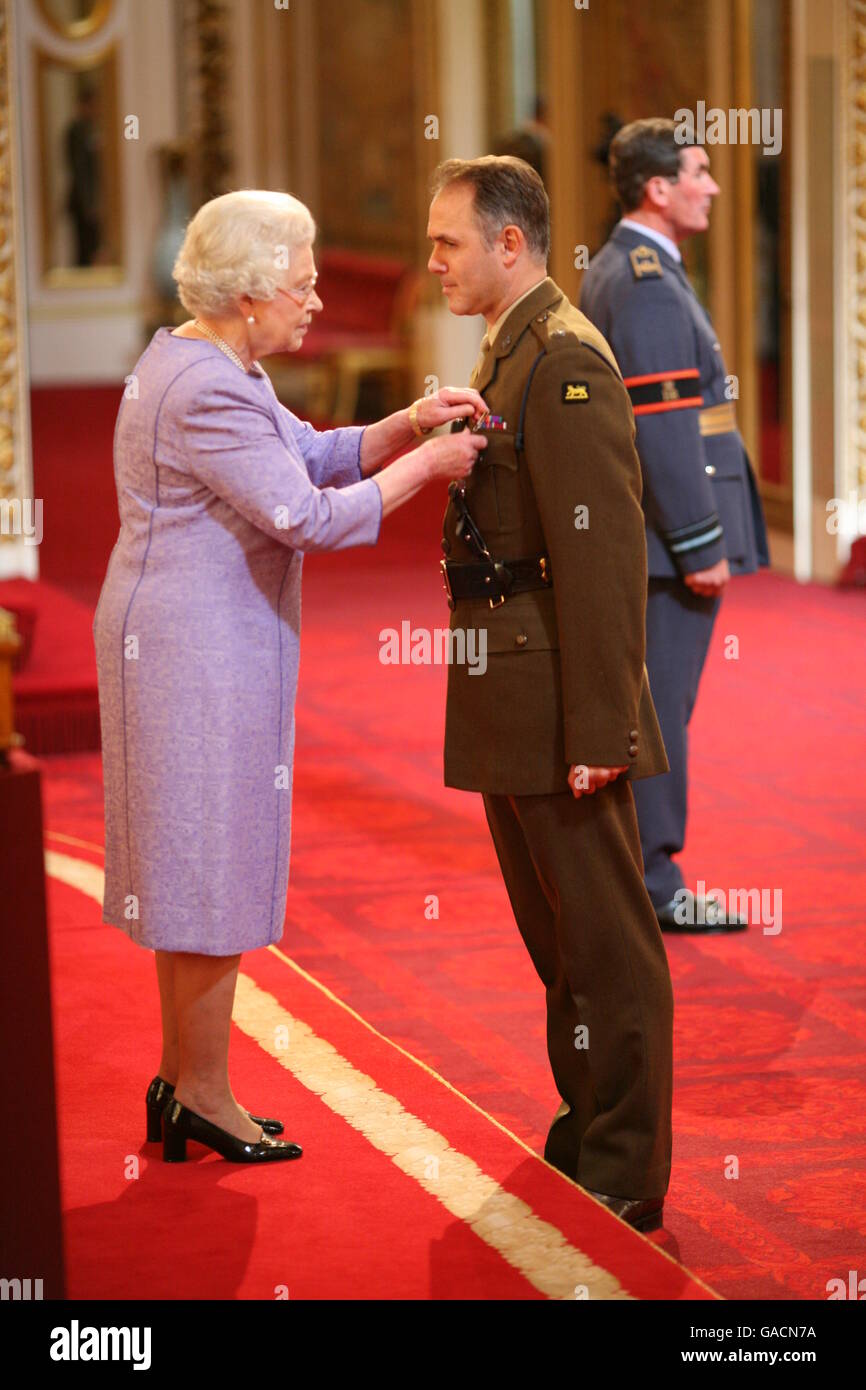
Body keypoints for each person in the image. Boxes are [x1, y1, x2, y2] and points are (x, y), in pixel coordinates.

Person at [92, 189, 487, 1165]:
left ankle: (186, 1082)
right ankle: (205, 1091)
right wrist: (429, 466)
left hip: (188, 636)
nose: (314, 299)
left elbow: (303, 454)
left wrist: (400, 423)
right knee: (209, 866)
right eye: (302, 282)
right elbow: (303, 514)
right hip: (194, 648)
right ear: (251, 290)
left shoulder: (205, 357)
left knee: (191, 866)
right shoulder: (209, 383)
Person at [428, 155, 673, 1230]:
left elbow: (605, 566)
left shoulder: (566, 361)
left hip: (557, 703)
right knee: (557, 944)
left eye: (447, 242)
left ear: (508, 244)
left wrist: (603, 730)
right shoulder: (510, 345)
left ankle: (626, 1162)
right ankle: (584, 1127)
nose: (430, 259)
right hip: (508, 694)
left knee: (606, 948)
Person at [580, 118, 769, 934]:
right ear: (658, 189)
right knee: (659, 711)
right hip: (668, 543)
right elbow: (663, 427)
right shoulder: (649, 278)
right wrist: (700, 543)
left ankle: (635, 869)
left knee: (649, 704)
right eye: (699, 172)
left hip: (653, 537)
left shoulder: (624, 264)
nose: (713, 186)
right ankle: (655, 879)